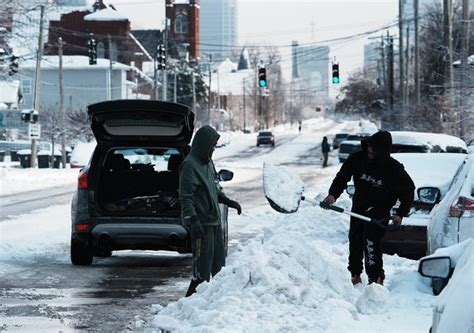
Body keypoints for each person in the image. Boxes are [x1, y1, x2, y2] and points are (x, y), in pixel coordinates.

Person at [322, 131, 414, 285]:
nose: (370, 152)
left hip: (380, 211)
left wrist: (400, 213)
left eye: (374, 149)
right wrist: (333, 195)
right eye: (369, 147)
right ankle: (355, 274)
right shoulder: (357, 159)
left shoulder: (393, 168)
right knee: (355, 239)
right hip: (359, 207)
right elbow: (342, 177)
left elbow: (408, 190)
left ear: (383, 150)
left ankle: (375, 277)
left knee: (371, 241)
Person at [179, 125, 242, 297]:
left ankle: (217, 303)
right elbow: (186, 197)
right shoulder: (189, 166)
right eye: (212, 146)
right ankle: (188, 307)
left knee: (220, 270)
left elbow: (213, 189)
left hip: (214, 223)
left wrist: (228, 201)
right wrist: (193, 220)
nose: (213, 149)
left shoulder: (207, 163)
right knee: (201, 273)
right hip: (202, 225)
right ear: (203, 144)